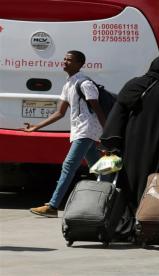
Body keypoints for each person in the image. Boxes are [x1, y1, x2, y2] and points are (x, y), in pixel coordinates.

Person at [100, 55, 159, 214]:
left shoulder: (133, 85)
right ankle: (149, 219)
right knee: (157, 182)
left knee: (129, 180)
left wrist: (111, 142)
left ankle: (127, 221)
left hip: (131, 144)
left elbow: (118, 113)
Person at [26, 50, 106, 218]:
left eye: (69, 60)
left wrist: (107, 134)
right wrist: (36, 127)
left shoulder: (85, 83)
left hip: (87, 130)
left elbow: (98, 109)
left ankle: (53, 206)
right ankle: (119, 196)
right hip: (80, 131)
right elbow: (59, 113)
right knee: (100, 169)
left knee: (69, 166)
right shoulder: (68, 84)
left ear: (79, 64)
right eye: (64, 59)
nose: (65, 62)